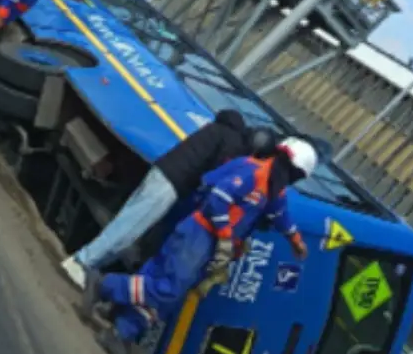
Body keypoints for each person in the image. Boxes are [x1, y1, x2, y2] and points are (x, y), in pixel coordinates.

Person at [80, 137, 318, 354]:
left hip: (208, 243)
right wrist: (225, 236)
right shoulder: (252, 172)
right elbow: (217, 201)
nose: (291, 181)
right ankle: (104, 285)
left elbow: (280, 215)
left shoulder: (274, 190)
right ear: (288, 166)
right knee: (168, 289)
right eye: (295, 175)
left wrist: (295, 240)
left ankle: (120, 334)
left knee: (164, 297)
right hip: (198, 235)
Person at [61, 110, 271, 287]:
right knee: (127, 229)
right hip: (170, 183)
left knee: (128, 226)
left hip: (164, 174)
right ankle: (81, 261)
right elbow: (217, 179)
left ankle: (87, 264)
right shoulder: (232, 144)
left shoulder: (221, 130)